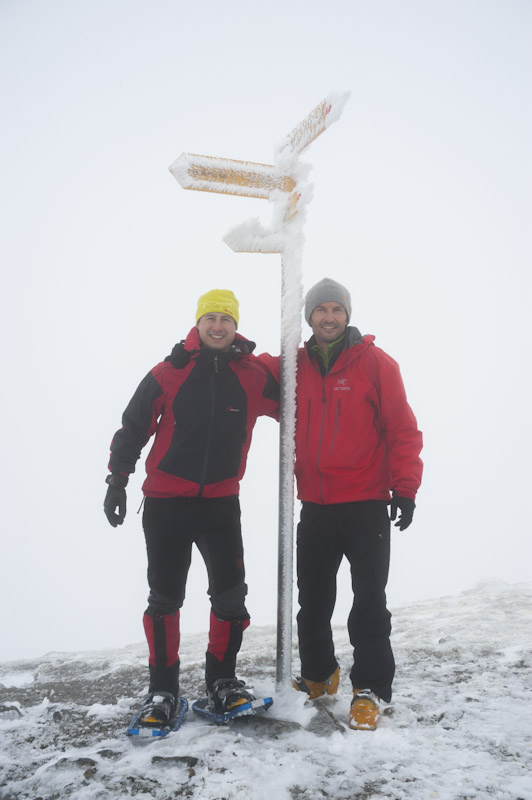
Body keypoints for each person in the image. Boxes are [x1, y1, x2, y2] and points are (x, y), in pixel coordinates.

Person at [103, 289, 279, 727]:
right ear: (198, 324)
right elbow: (133, 426)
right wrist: (117, 480)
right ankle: (162, 691)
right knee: (165, 598)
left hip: (221, 503)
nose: (218, 326)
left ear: (236, 327)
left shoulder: (252, 376)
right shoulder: (168, 372)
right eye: (211, 318)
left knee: (231, 596)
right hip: (166, 504)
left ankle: (222, 682)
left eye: (226, 319)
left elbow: (301, 398)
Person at [260, 277, 423, 730]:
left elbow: (403, 430)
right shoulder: (294, 366)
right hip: (315, 504)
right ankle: (319, 675)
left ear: (347, 315)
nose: (329, 317)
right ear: (309, 317)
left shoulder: (374, 363)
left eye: (336, 310)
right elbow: (253, 380)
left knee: (369, 600)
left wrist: (405, 487)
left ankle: (368, 688)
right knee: (311, 598)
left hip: (366, 503)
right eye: (320, 310)